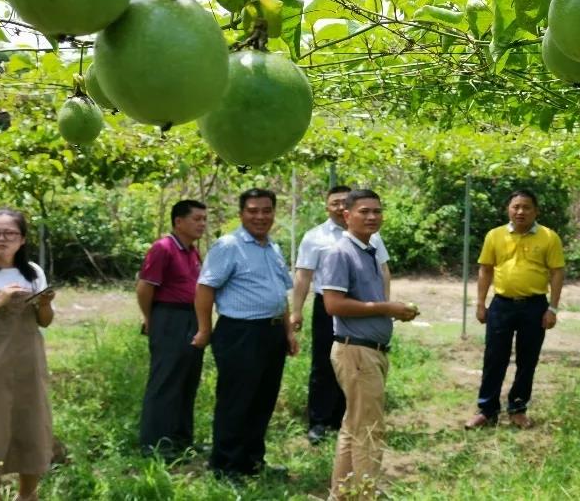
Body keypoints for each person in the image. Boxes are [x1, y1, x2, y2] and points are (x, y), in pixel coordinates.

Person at [191, 188, 299, 480]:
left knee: (263, 400)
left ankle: (252, 461)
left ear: (274, 213)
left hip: (272, 332)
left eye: (266, 210)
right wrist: (204, 328)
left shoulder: (272, 247)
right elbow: (205, 288)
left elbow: (281, 294)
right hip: (240, 333)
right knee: (236, 401)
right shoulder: (229, 246)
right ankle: (226, 466)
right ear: (241, 214)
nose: (260, 216)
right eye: (253, 211)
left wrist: (288, 331)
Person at [320, 189, 417, 499]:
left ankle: (344, 493)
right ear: (346, 215)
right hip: (356, 352)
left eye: (377, 211)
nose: (372, 216)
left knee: (354, 427)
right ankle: (365, 494)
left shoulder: (369, 249)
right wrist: (386, 308)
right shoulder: (340, 252)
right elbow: (333, 305)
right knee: (369, 431)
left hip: (368, 351)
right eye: (364, 211)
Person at [291, 185, 392, 445]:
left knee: (355, 364)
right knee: (325, 363)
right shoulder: (316, 237)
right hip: (329, 304)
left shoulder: (372, 237)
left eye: (343, 202)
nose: (338, 207)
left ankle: (343, 418)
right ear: (331, 208)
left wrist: (385, 305)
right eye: (334, 203)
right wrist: (296, 310)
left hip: (364, 304)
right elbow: (303, 276)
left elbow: (383, 271)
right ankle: (319, 421)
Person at [0, 208, 56, 501]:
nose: (2, 238)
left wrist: (44, 303)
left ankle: (28, 495)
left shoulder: (33, 272)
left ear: (22, 240)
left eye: (10, 233)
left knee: (31, 425)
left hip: (28, 362)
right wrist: (1, 301)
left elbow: (44, 321)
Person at [465, 189, 565, 430]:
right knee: (494, 358)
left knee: (527, 359)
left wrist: (552, 308)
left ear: (535, 211)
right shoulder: (495, 235)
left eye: (526, 207)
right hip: (501, 305)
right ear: (508, 210)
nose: (520, 211)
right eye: (515, 207)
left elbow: (557, 272)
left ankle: (518, 409)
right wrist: (480, 303)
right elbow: (485, 269)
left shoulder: (549, 237)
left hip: (535, 306)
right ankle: (487, 410)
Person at [137, 199, 207, 458]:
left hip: (191, 317)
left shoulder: (192, 251)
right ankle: (154, 444)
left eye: (204, 219)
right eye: (196, 219)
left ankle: (181, 439)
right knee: (165, 380)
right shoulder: (163, 248)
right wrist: (150, 318)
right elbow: (145, 287)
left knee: (187, 379)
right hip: (169, 317)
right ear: (179, 221)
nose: (202, 224)